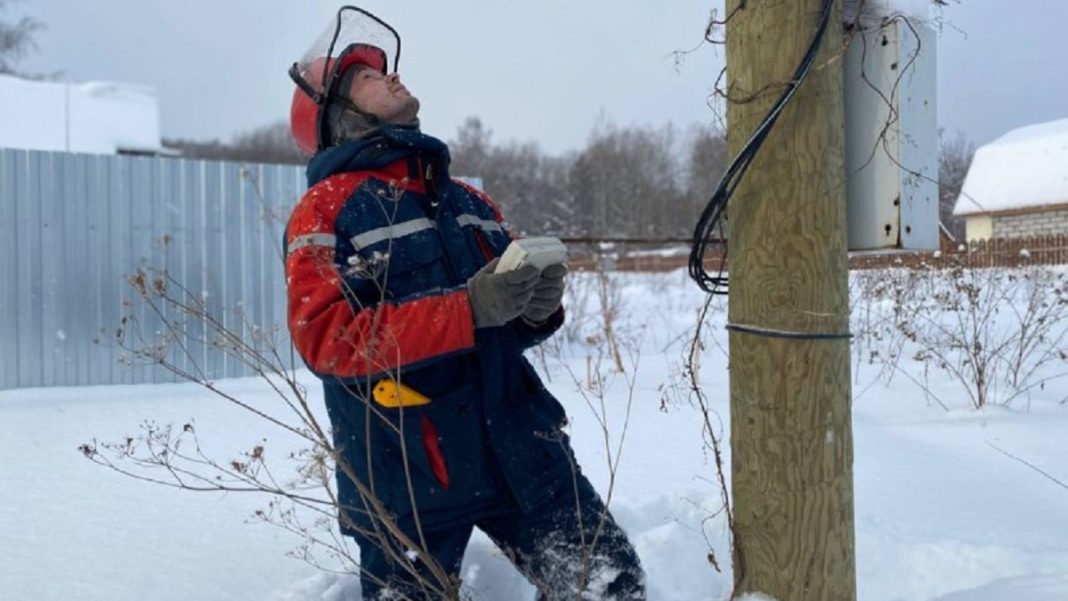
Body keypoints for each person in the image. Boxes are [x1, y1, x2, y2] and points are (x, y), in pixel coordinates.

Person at [283, 7, 644, 600]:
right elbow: (328, 339)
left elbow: (503, 326)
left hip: (522, 449)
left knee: (611, 586)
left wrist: (536, 308)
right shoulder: (325, 211)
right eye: (366, 77)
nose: (392, 76)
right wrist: (469, 309)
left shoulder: (467, 200)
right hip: (408, 474)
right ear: (339, 118)